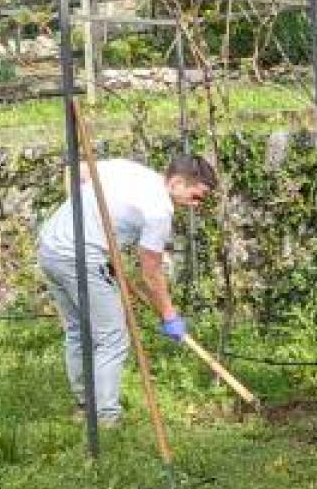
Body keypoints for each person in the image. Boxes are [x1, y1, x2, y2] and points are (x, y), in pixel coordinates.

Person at [35, 154, 217, 424]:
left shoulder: (131, 171)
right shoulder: (159, 211)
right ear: (177, 182)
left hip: (50, 246)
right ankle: (106, 417)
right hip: (81, 256)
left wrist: (83, 220)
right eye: (196, 196)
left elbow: (75, 171)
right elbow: (151, 271)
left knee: (78, 330)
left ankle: (85, 406)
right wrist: (169, 315)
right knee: (112, 338)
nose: (197, 204)